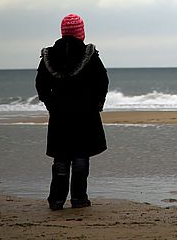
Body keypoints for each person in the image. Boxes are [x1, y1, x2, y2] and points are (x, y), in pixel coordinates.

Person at [35, 14, 109, 210]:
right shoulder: (89, 55)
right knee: (80, 156)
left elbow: (40, 85)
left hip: (59, 114)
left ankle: (57, 200)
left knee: (61, 157)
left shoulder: (49, 56)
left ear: (62, 31)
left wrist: (50, 104)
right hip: (85, 114)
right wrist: (97, 104)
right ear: (81, 32)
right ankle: (79, 199)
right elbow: (102, 82)